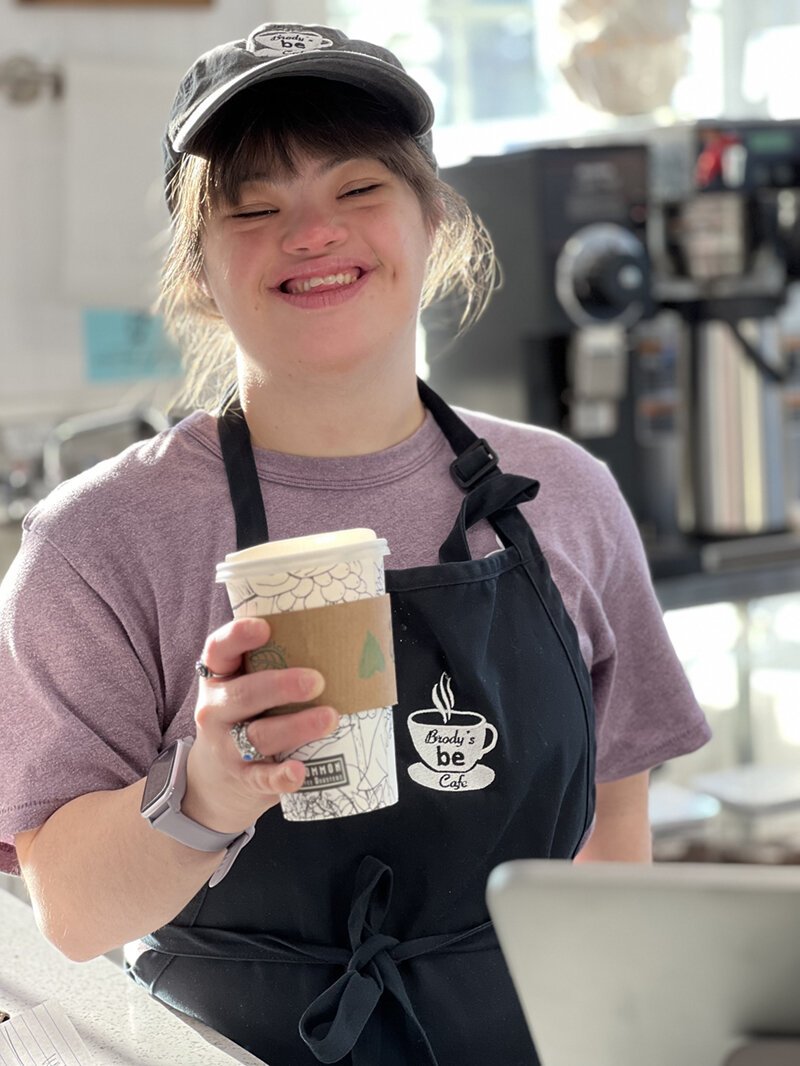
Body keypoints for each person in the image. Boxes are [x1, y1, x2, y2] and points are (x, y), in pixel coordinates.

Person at [0, 22, 711, 1066]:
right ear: (198, 265)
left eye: (357, 189)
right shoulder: (98, 542)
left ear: (433, 220)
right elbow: (71, 912)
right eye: (253, 206)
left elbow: (612, 825)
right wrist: (208, 784)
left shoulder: (562, 495)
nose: (311, 232)